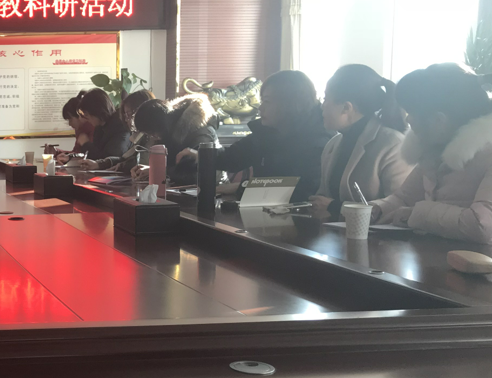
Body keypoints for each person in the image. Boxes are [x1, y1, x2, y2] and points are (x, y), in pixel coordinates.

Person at [371, 63, 492, 243]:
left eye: (412, 112)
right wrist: (375, 209)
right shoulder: (432, 149)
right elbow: (404, 198)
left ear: (439, 120)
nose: (408, 119)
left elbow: (482, 225)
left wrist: (416, 214)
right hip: (435, 257)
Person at [176, 70, 333, 203]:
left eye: (267, 101)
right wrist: (201, 155)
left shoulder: (320, 140)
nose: (260, 108)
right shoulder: (269, 131)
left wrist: (241, 187)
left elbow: (300, 191)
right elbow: (233, 157)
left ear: (290, 104)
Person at [310, 65, 412, 220]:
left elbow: (400, 207)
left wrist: (337, 207)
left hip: (377, 235)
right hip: (334, 232)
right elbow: (323, 200)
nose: (321, 106)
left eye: (325, 99)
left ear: (346, 107)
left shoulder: (393, 144)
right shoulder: (333, 144)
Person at [84, 94, 218, 185]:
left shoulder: (200, 131)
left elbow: (201, 174)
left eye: (152, 133)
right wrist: (152, 169)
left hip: (209, 197)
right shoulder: (167, 130)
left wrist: (158, 171)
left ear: (158, 126)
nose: (153, 137)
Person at [78, 87, 133, 161]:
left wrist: (86, 144)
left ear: (96, 110)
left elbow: (110, 158)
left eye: (87, 114)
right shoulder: (100, 127)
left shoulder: (120, 126)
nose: (86, 119)